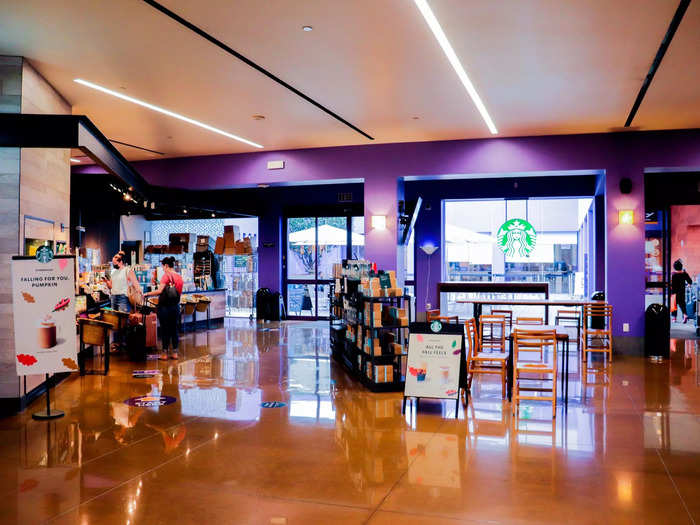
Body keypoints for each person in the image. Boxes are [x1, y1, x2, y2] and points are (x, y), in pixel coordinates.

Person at [145, 257, 183, 360]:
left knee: (165, 330)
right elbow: (179, 292)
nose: (163, 269)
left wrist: (147, 294)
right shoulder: (179, 277)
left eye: (163, 267)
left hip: (165, 308)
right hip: (175, 307)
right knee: (174, 329)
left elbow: (159, 291)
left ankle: (165, 353)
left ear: (166, 265)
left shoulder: (166, 276)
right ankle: (175, 353)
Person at [671, 259, 692, 323]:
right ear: (681, 267)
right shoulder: (684, 274)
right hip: (682, 292)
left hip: (674, 292)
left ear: (674, 267)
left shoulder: (673, 274)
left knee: (673, 305)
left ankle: (674, 318)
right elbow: (690, 282)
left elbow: (670, 284)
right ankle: (685, 315)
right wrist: (688, 285)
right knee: (682, 305)